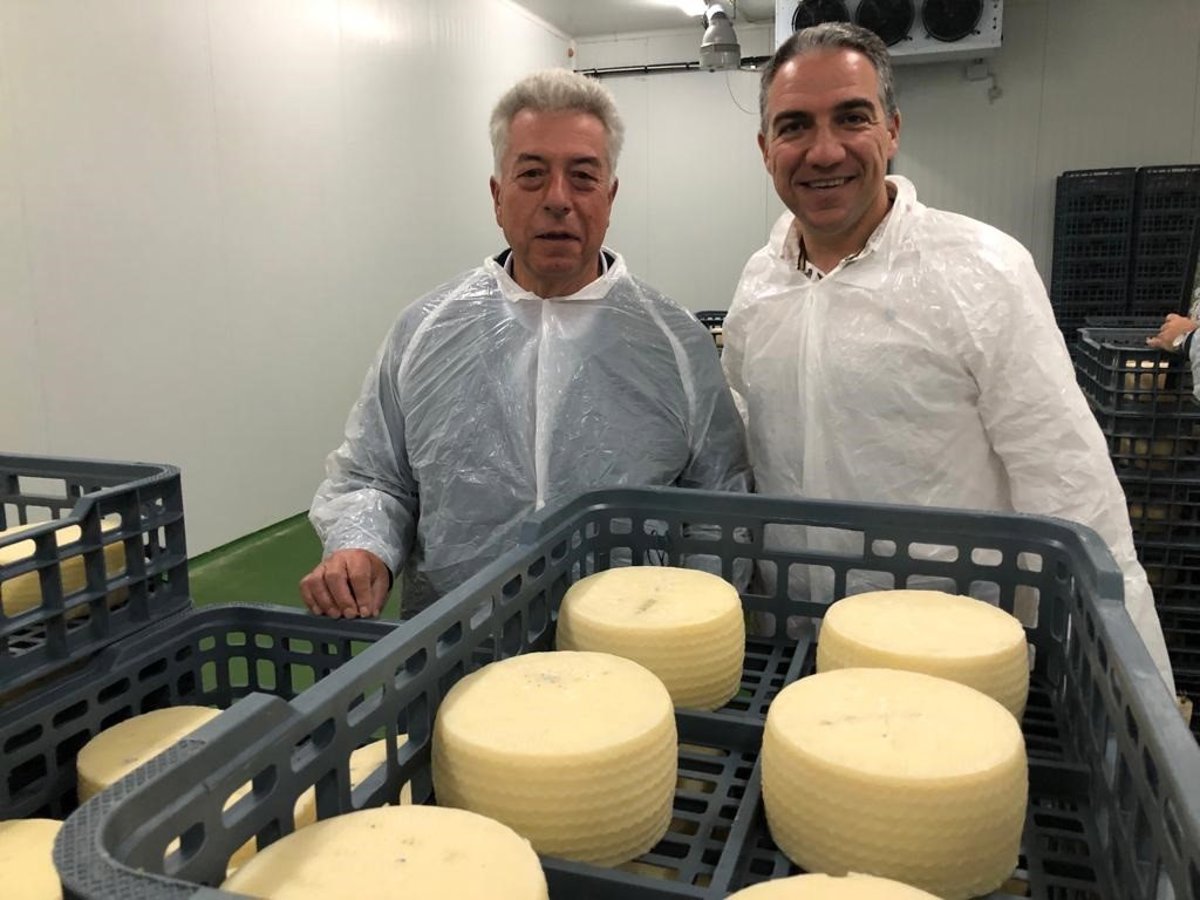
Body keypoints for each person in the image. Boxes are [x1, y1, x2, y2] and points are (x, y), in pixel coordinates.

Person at [721, 22, 1176, 693]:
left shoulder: (982, 271)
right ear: (766, 149)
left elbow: (1071, 488)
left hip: (951, 665)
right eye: (794, 126)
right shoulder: (760, 287)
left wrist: (1129, 698)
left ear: (892, 130)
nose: (824, 150)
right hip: (799, 656)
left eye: (852, 118)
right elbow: (745, 454)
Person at [301, 69, 750, 620]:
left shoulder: (676, 346)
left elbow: (719, 506)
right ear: (498, 195)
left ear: (610, 196)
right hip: (456, 647)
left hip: (628, 653)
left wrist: (686, 624)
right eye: (532, 175)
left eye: (582, 177)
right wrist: (362, 546)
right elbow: (376, 477)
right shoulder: (424, 334)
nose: (558, 199)